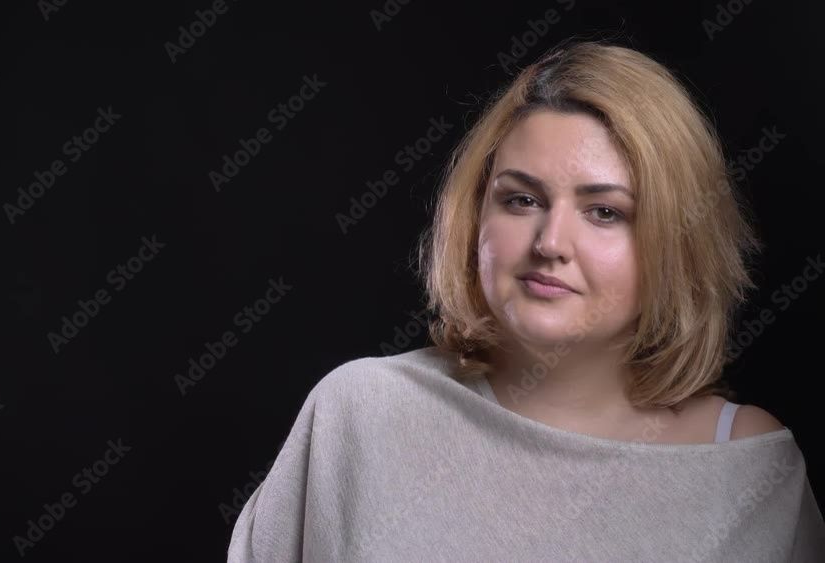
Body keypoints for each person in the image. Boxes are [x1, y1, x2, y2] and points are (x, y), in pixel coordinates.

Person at [226, 39, 825, 562]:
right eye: (522, 200)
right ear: (476, 216)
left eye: (605, 212)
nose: (550, 243)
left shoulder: (746, 463)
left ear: (678, 241)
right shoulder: (362, 413)